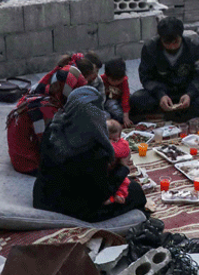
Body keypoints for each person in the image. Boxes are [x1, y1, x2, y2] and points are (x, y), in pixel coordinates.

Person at [33, 86, 147, 222]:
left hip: (42, 197)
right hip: (72, 208)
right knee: (136, 191)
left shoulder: (53, 128)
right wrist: (123, 167)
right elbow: (101, 195)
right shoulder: (94, 150)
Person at [6, 56, 95, 175]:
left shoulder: (48, 91)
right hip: (28, 162)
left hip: (23, 152)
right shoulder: (44, 109)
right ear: (68, 90)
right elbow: (49, 146)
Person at [130, 17, 199, 123]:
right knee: (136, 100)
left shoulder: (193, 47)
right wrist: (160, 95)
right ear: (160, 38)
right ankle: (176, 115)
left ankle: (165, 115)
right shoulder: (150, 48)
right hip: (161, 93)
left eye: (175, 42)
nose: (171, 47)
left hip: (185, 92)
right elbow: (146, 77)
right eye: (167, 43)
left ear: (181, 37)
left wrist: (190, 94)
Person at [102, 57, 133, 127]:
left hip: (120, 100)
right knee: (113, 108)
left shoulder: (124, 80)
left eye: (119, 80)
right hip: (108, 102)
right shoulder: (102, 80)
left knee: (132, 99)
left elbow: (126, 96)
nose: (117, 83)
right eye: (114, 81)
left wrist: (126, 115)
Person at [106, 119, 131, 204]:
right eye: (109, 139)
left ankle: (119, 195)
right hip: (106, 175)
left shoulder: (121, 143)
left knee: (125, 182)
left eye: (115, 140)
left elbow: (125, 150)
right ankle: (110, 199)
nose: (112, 142)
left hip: (115, 169)